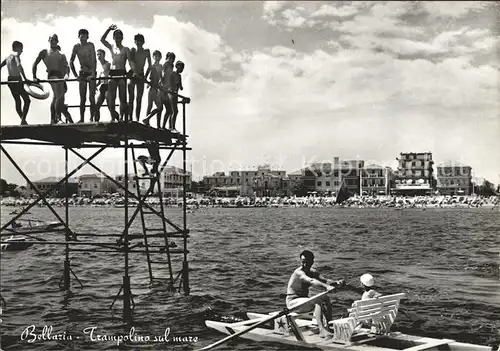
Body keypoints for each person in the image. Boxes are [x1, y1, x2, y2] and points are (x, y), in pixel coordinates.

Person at [286, 250, 344, 338]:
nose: (304, 265)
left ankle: (328, 325)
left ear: (312, 262)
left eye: (307, 262)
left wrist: (336, 282)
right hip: (292, 303)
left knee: (326, 298)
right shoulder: (298, 272)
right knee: (317, 300)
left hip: (303, 302)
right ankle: (322, 330)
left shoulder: (312, 272)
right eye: (302, 262)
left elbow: (325, 281)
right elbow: (311, 281)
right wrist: (326, 287)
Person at [33, 34, 73, 124]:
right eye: (51, 40)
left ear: (57, 41)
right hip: (52, 74)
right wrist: (34, 77)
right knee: (58, 95)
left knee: (57, 97)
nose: (53, 41)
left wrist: (67, 75)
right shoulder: (44, 52)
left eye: (55, 40)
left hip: (60, 76)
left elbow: (67, 66)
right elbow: (35, 63)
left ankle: (53, 119)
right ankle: (58, 118)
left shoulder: (61, 54)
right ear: (49, 40)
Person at [100, 24, 134, 122]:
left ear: (122, 37)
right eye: (116, 36)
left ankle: (122, 118)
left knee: (122, 98)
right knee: (112, 98)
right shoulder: (111, 47)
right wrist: (109, 29)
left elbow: (130, 61)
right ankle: (113, 116)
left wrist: (131, 71)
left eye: (120, 36)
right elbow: (102, 40)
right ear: (114, 38)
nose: (118, 38)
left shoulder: (126, 49)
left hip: (122, 72)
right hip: (113, 73)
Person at [70, 29, 97, 123]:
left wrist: (93, 73)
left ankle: (92, 118)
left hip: (91, 72)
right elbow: (71, 61)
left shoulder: (90, 45)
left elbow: (94, 60)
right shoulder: (76, 47)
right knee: (83, 98)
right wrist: (75, 75)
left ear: (88, 37)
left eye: (85, 36)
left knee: (91, 98)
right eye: (82, 36)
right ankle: (81, 118)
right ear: (79, 37)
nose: (83, 38)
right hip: (82, 73)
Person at [1, 41, 31, 125]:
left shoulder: (7, 57)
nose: (22, 51)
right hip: (17, 80)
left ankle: (23, 120)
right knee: (27, 100)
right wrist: (25, 79)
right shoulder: (16, 55)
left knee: (18, 101)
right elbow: (19, 66)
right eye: (21, 48)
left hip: (10, 80)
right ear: (17, 48)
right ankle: (23, 119)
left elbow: (0, 65)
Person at [128, 34, 151, 122]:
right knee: (131, 98)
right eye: (137, 41)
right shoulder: (133, 50)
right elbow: (131, 63)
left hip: (141, 75)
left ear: (143, 42)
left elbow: (150, 65)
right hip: (133, 75)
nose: (139, 43)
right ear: (135, 42)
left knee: (139, 98)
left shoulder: (146, 51)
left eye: (140, 41)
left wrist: (145, 76)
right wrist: (134, 73)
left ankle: (137, 118)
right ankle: (130, 118)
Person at [143, 50, 163, 128]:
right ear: (153, 57)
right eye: (155, 56)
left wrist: (160, 84)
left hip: (156, 88)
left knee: (159, 107)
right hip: (152, 88)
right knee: (150, 105)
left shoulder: (160, 66)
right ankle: (146, 121)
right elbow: (146, 77)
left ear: (160, 57)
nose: (157, 57)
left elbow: (161, 77)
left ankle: (147, 119)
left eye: (158, 56)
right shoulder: (151, 66)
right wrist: (149, 83)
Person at [166, 60, 184, 133]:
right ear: (177, 66)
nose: (182, 69)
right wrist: (172, 89)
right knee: (175, 111)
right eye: (181, 67)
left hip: (175, 94)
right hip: (171, 93)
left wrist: (180, 86)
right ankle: (172, 127)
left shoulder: (179, 76)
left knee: (173, 111)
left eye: (183, 68)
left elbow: (180, 86)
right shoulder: (172, 74)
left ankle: (171, 127)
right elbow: (169, 83)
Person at [94, 49, 111, 122]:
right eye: (97, 54)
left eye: (100, 54)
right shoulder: (98, 66)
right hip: (102, 86)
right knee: (97, 106)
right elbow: (100, 78)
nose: (98, 56)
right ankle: (96, 121)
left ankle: (116, 119)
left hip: (108, 86)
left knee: (110, 105)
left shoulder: (108, 64)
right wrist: (95, 86)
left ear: (104, 55)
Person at [160, 51, 175, 129]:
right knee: (161, 108)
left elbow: (171, 77)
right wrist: (163, 86)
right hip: (163, 88)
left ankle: (163, 126)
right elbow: (162, 74)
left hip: (168, 88)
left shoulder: (172, 65)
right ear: (167, 58)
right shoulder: (166, 64)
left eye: (172, 58)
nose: (171, 60)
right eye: (170, 58)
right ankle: (161, 126)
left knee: (169, 110)